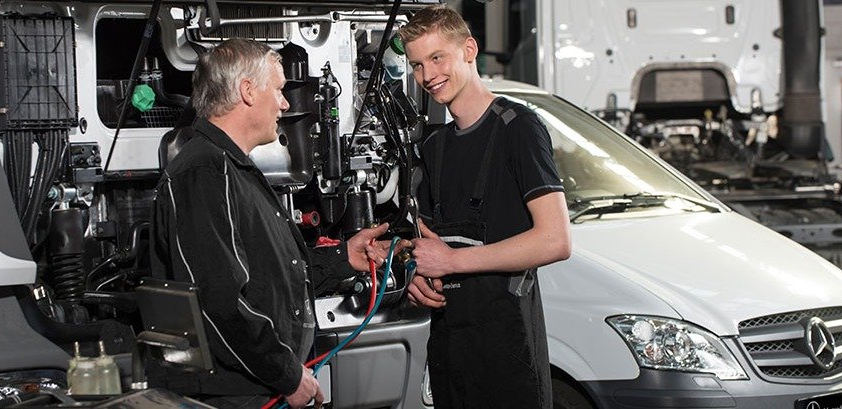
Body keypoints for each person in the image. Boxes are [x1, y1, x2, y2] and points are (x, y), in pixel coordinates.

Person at [150, 38, 397, 409]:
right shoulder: (204, 172)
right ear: (247, 91)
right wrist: (287, 373)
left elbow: (272, 273)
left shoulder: (233, 168)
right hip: (236, 396)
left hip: (258, 387)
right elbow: (218, 301)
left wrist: (343, 258)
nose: (284, 103)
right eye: (279, 90)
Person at [400, 6, 572, 408]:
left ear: (470, 50)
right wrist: (414, 276)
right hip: (450, 357)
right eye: (417, 65)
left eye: (437, 58)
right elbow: (423, 245)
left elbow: (556, 240)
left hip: (508, 357)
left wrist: (452, 262)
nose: (427, 76)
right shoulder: (433, 146)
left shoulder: (519, 128)